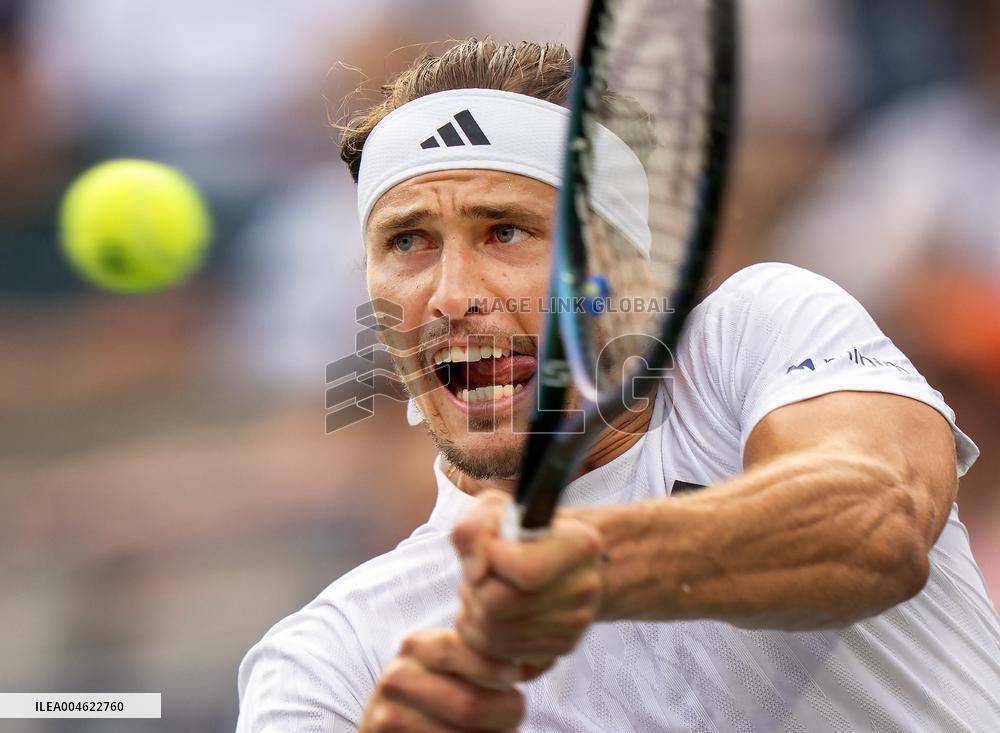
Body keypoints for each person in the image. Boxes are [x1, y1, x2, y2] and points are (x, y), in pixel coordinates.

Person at [236, 39, 1000, 732]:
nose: (448, 295)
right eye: (408, 241)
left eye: (505, 230)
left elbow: (881, 520)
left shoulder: (756, 328)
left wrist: (591, 564)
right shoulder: (327, 664)